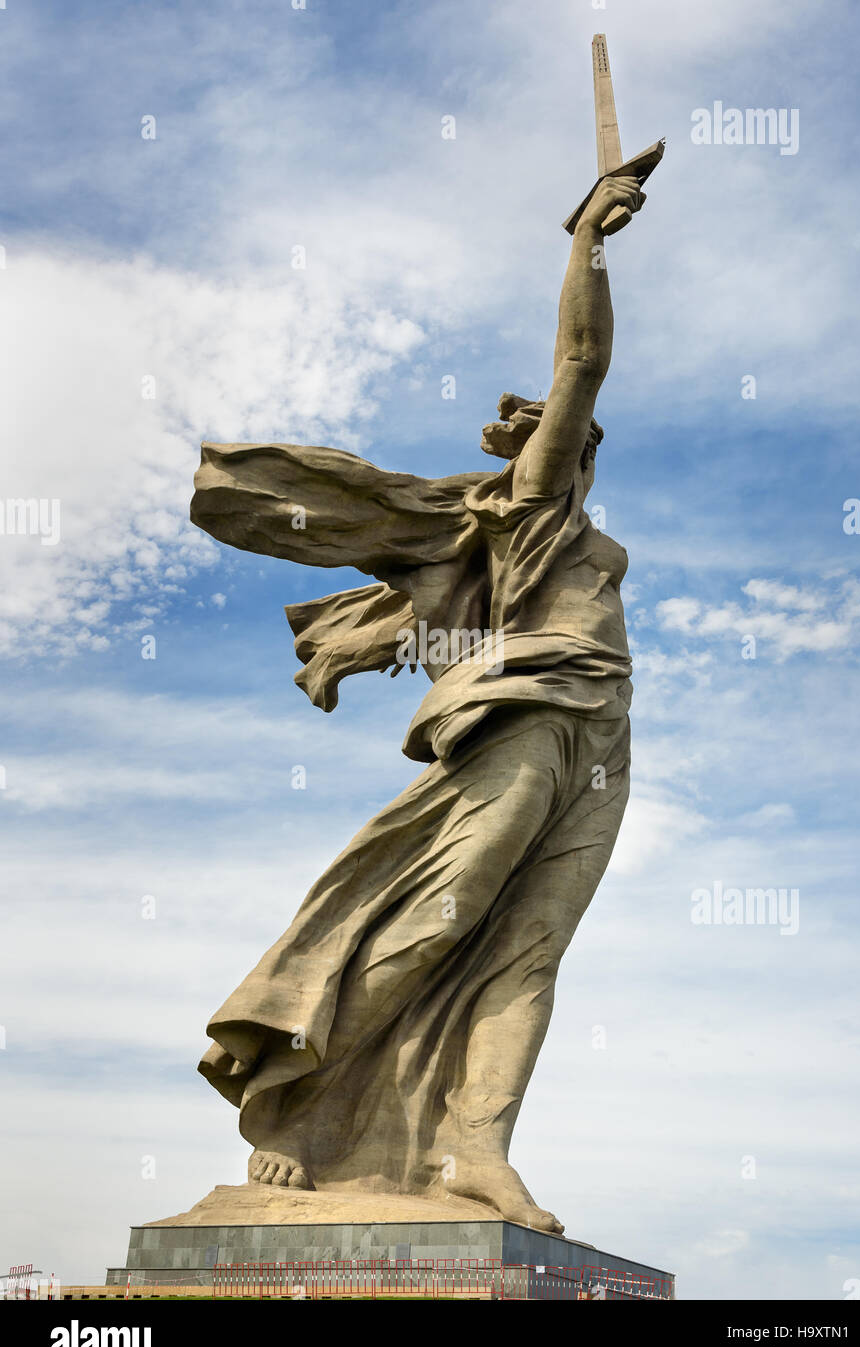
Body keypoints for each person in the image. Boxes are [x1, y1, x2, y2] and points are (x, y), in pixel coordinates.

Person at [191, 175, 647, 1234]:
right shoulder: (534, 504)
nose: (585, 444)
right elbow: (582, 361)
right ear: (549, 447)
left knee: (530, 949)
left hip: (606, 732)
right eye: (570, 437)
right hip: (528, 717)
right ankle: (299, 1106)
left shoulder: (579, 535)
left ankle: (476, 1149)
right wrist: (587, 241)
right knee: (439, 919)